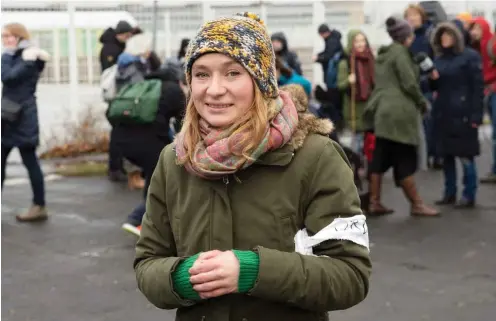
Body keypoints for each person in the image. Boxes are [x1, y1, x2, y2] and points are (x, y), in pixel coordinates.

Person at [134, 12, 371, 321]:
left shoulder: (316, 156)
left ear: (261, 81)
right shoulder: (175, 159)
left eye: (233, 73)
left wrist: (252, 271)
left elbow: (350, 275)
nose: (214, 89)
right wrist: (182, 278)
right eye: (202, 74)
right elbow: (147, 263)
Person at [364, 17, 440, 217]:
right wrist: (422, 102)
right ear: (406, 36)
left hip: (383, 111)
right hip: (399, 112)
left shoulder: (385, 54)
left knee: (380, 157)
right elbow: (408, 83)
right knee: (404, 157)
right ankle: (417, 204)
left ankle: (374, 202)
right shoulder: (400, 53)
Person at [429, 22, 484, 208]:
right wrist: (431, 79)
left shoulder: (470, 57)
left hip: (463, 113)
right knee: (447, 157)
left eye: (449, 35)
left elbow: (477, 88)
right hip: (443, 112)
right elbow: (433, 87)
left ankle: (469, 194)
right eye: (442, 36)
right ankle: (449, 193)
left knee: (466, 156)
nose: (445, 39)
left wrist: (476, 115)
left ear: (457, 37)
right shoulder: (439, 58)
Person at [1, 23, 50, 221]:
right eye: (3, 36)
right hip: (10, 116)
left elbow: (8, 78)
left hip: (22, 117)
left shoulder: (26, 58)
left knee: (30, 162)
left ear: (19, 37)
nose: (5, 40)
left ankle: (39, 206)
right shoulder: (21, 56)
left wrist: (8, 57)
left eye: (8, 36)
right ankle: (39, 205)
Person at [99, 20, 134, 182]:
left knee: (120, 131)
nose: (128, 38)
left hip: (117, 95)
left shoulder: (114, 46)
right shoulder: (111, 49)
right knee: (119, 131)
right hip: (116, 95)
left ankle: (118, 166)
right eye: (127, 35)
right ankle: (115, 168)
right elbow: (113, 72)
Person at [336, 30, 375, 154]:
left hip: (370, 106)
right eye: (357, 41)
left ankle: (368, 169)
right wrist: (349, 80)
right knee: (357, 143)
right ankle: (357, 169)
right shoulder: (345, 62)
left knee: (370, 143)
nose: (360, 44)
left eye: (363, 40)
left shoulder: (372, 59)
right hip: (354, 108)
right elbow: (340, 85)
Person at [470, 17, 496, 184]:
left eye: (477, 29)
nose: (473, 32)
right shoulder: (477, 47)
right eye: (472, 29)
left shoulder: (491, 45)